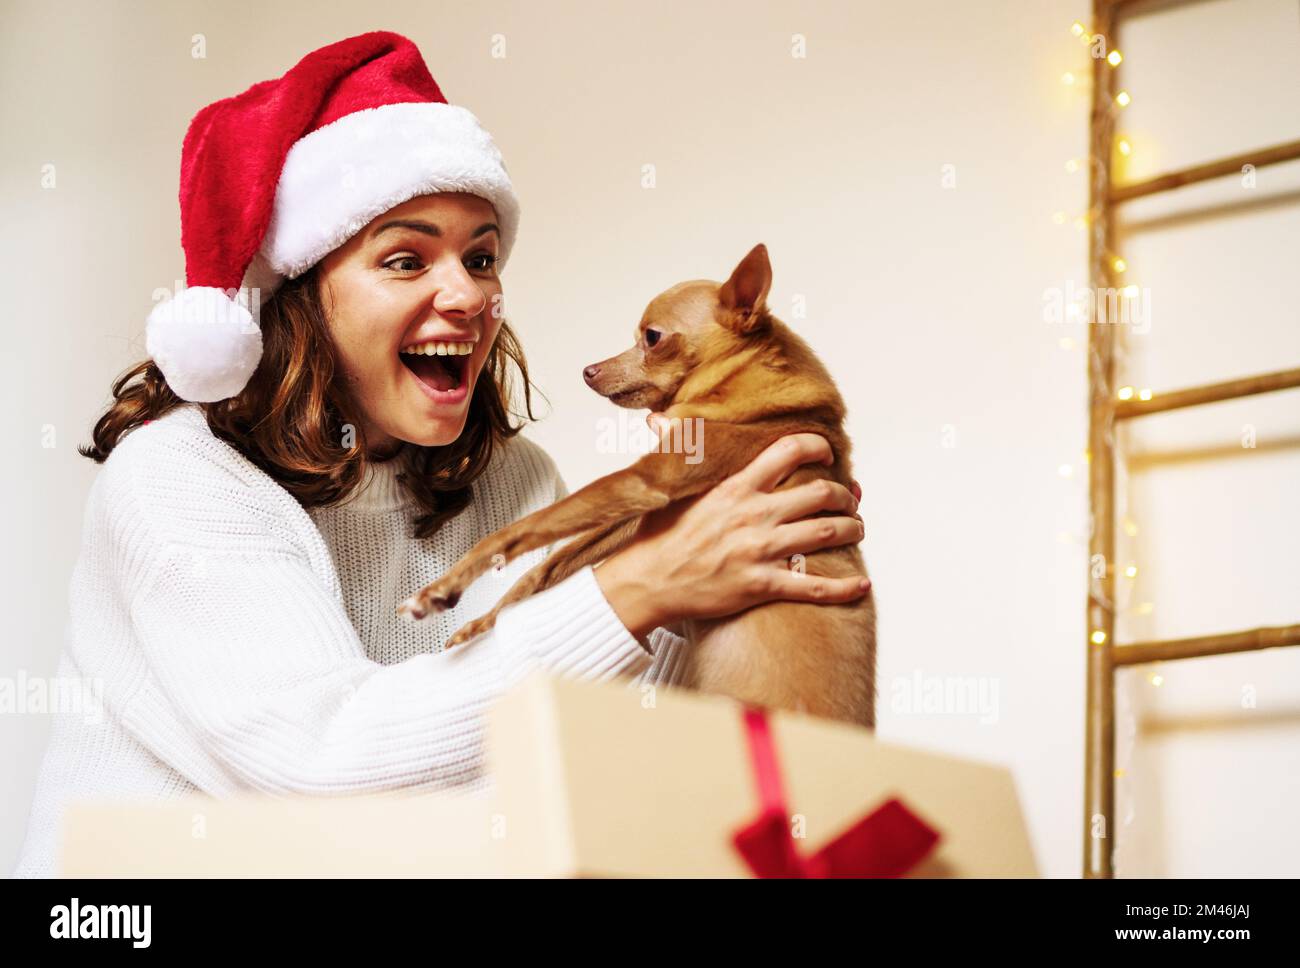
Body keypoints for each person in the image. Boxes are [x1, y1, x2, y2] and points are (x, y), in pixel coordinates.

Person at [12, 31, 867, 876]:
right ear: (304, 295)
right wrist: (644, 583)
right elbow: (326, 770)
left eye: (482, 256)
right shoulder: (177, 479)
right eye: (405, 258)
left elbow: (587, 750)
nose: (468, 295)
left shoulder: (515, 482)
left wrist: (728, 573)